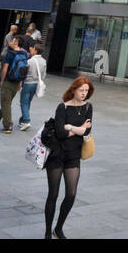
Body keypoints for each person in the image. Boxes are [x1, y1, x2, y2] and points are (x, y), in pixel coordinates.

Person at [44, 76, 93, 239]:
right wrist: (78, 129)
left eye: (86, 91)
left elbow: (87, 131)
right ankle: (47, 232)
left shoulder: (88, 107)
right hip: (57, 155)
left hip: (73, 156)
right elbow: (60, 133)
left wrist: (71, 127)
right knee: (53, 194)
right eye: (81, 90)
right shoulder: (62, 108)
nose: (84, 93)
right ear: (73, 90)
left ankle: (58, 228)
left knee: (71, 194)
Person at [0, 34, 28, 133]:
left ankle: (8, 126)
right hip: (16, 83)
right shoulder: (23, 54)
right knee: (6, 103)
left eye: (12, 40)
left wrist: (1, 81)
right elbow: (22, 70)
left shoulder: (10, 54)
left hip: (8, 82)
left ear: (16, 42)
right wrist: (20, 83)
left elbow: (5, 68)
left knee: (6, 104)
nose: (10, 42)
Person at [19, 41, 47, 131]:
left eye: (33, 48)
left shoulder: (29, 61)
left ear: (35, 50)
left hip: (28, 83)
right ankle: (23, 120)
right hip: (36, 84)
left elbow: (24, 73)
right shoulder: (44, 61)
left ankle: (26, 121)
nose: (32, 50)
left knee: (24, 102)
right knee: (28, 102)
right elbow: (43, 75)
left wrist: (20, 83)